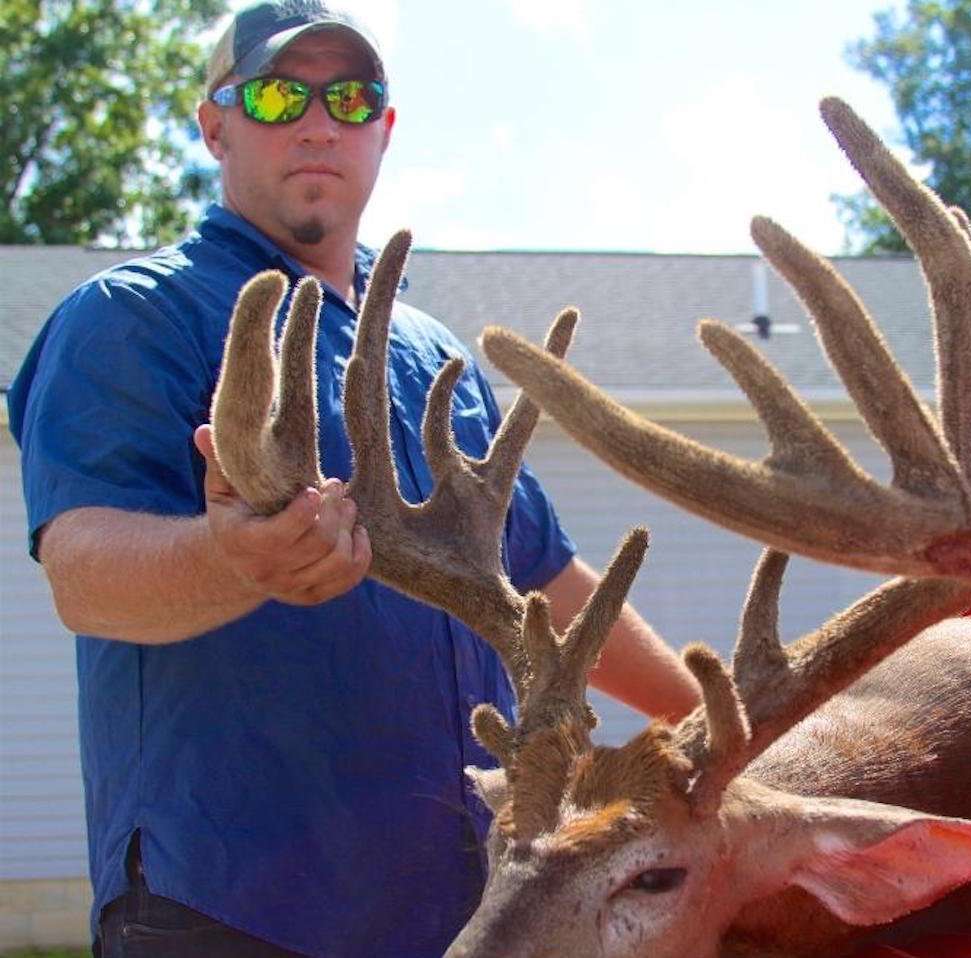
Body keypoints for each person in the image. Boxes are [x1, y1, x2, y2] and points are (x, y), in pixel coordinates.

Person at [8, 3, 702, 955]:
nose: (318, 119)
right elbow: (83, 576)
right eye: (278, 92)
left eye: (351, 95)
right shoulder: (134, 320)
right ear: (215, 125)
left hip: (463, 912)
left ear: (385, 129)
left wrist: (711, 725)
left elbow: (546, 583)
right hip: (233, 912)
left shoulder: (428, 356)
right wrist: (234, 556)